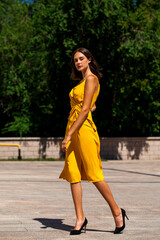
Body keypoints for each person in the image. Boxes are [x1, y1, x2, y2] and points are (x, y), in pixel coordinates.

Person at [59, 47, 128, 235]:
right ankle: (80, 218)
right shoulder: (82, 82)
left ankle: (116, 211)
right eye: (75, 60)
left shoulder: (91, 79)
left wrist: (68, 135)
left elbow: (84, 110)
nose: (78, 62)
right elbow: (90, 105)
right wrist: (85, 111)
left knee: (94, 174)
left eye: (81, 58)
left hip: (83, 131)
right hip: (73, 128)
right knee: (73, 174)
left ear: (89, 59)